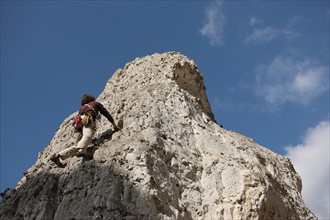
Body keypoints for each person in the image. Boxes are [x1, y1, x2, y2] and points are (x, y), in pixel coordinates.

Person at [50, 94, 120, 167]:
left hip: (77, 125)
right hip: (87, 120)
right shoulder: (95, 104)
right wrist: (114, 124)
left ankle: (58, 155)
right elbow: (106, 113)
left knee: (78, 144)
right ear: (92, 99)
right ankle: (81, 151)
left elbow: (79, 118)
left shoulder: (82, 107)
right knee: (88, 136)